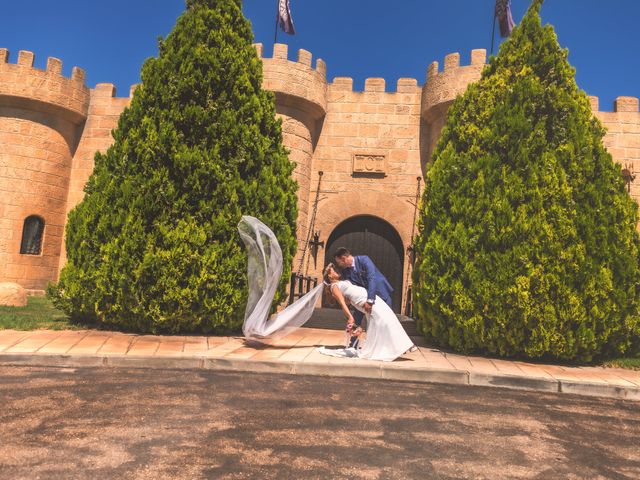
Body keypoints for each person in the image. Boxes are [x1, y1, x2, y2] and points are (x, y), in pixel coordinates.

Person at [321, 263, 416, 362]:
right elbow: (342, 303)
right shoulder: (334, 286)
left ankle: (402, 345)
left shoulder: (341, 282)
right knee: (386, 321)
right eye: (333, 270)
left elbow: (348, 298)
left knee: (388, 318)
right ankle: (405, 345)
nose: (336, 270)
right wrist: (350, 317)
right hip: (365, 302)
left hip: (370, 299)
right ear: (329, 275)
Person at [333, 247, 393, 347]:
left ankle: (399, 345)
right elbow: (350, 285)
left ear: (343, 258)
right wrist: (347, 297)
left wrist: (370, 301)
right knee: (356, 318)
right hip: (363, 297)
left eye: (339, 262)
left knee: (388, 321)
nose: (339, 265)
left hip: (380, 293)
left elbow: (371, 278)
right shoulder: (346, 271)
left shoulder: (364, 260)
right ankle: (353, 344)